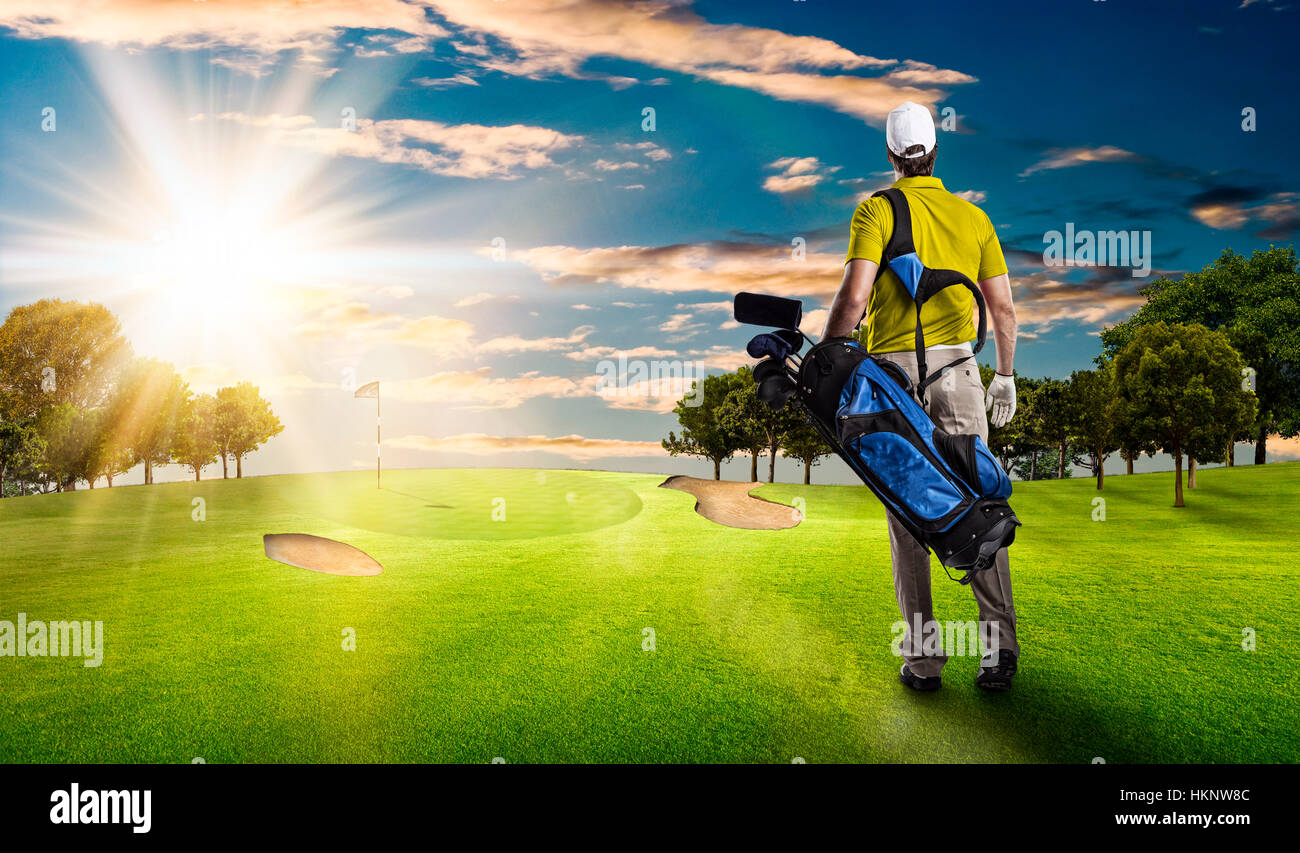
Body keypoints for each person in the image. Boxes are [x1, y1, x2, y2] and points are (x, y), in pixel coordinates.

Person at [822, 101, 1021, 692]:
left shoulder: (876, 211)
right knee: (977, 502)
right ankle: (998, 654)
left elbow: (854, 300)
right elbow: (1003, 309)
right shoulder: (974, 218)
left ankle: (924, 662)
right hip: (961, 374)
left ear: (890, 155)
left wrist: (833, 353)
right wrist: (1005, 375)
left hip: (892, 388)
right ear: (936, 150)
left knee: (910, 512)